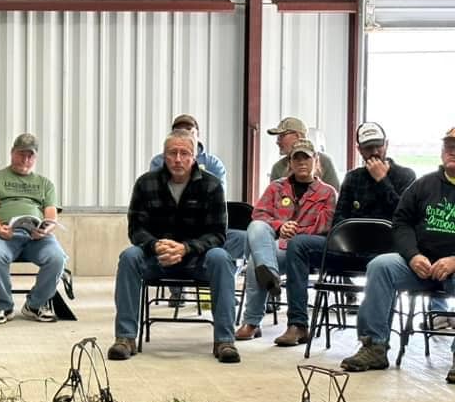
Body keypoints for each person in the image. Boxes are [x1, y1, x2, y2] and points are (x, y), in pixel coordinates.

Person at [108, 129, 240, 363]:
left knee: (221, 258)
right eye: (172, 153)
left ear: (194, 157)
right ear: (164, 155)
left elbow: (218, 234)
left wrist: (186, 249)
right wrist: (155, 245)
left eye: (184, 153)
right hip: (156, 257)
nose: (178, 159)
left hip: (198, 260)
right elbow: (136, 229)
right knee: (129, 256)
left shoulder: (212, 185)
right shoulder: (145, 183)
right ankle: (125, 338)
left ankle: (224, 340)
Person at [280, 122, 416, 345]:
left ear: (386, 145)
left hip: (387, 254)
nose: (373, 152)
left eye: (377, 146)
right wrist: (353, 235)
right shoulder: (353, 178)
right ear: (359, 150)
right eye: (367, 147)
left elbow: (406, 217)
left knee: (386, 262)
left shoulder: (405, 176)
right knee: (299, 244)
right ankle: (298, 324)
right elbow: (339, 220)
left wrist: (383, 181)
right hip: (350, 250)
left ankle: (375, 339)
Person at [340, 128, 455, 382]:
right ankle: (374, 347)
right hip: (421, 266)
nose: (452, 151)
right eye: (448, 146)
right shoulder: (424, 185)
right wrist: (413, 255)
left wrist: (453, 261)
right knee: (381, 265)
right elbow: (401, 222)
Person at [236, 139, 336, 342]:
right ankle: (270, 274)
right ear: (289, 162)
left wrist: (295, 230)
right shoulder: (276, 187)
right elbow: (260, 214)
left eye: (306, 158)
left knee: (257, 262)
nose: (301, 163)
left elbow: (325, 225)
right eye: (296, 158)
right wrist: (280, 226)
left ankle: (252, 322)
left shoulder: (327, 193)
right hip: (275, 244)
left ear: (316, 161)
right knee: (256, 228)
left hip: (304, 249)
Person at [0, 133, 67, 323]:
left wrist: (45, 230)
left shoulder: (45, 184)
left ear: (35, 158)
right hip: (5, 233)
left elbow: (51, 214)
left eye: (30, 156)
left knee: (57, 258)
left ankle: (35, 305)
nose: (25, 159)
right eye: (21, 154)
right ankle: (3, 307)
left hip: (36, 236)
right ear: (12, 153)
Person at [150, 113, 245, 261]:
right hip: (170, 221)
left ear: (198, 134)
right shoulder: (158, 161)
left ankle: (219, 271)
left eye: (190, 130)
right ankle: (176, 274)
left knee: (241, 237)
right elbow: (157, 195)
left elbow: (218, 196)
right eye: (180, 131)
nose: (185, 134)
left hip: (204, 220)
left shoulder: (213, 163)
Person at [268, 116, 340, 189]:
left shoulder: (324, 161)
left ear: (298, 136)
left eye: (281, 136)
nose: (277, 142)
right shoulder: (278, 168)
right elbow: (272, 198)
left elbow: (336, 196)